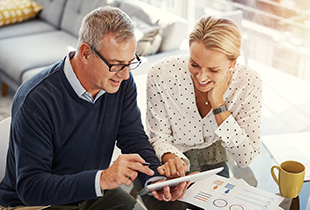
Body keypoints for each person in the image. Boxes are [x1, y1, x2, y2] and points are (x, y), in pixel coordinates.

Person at [0, 6, 190, 210]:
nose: (125, 74)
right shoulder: (37, 98)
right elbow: (31, 189)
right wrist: (101, 179)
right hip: (37, 204)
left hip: (92, 193)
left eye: (129, 63)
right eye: (116, 64)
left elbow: (133, 138)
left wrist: (156, 179)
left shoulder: (121, 83)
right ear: (85, 53)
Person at [139, 15, 262, 209]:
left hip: (214, 157)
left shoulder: (248, 82)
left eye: (213, 70)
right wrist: (171, 159)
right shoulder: (161, 74)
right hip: (170, 157)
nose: (201, 77)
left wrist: (217, 103)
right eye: (194, 64)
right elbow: (158, 136)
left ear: (233, 63)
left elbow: (245, 158)